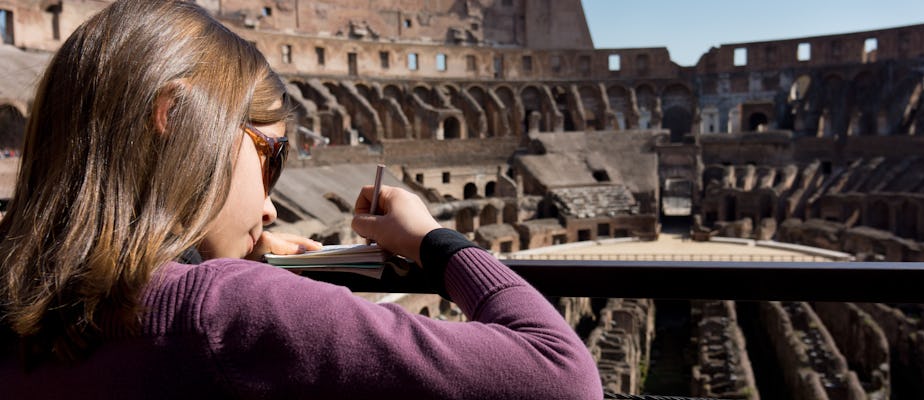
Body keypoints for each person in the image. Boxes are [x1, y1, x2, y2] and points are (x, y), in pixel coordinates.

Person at [0, 1, 602, 398]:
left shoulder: (20, 308)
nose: (270, 208)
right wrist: (434, 242)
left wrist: (216, 262)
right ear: (176, 114)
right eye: (271, 157)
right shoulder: (233, 312)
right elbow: (562, 376)